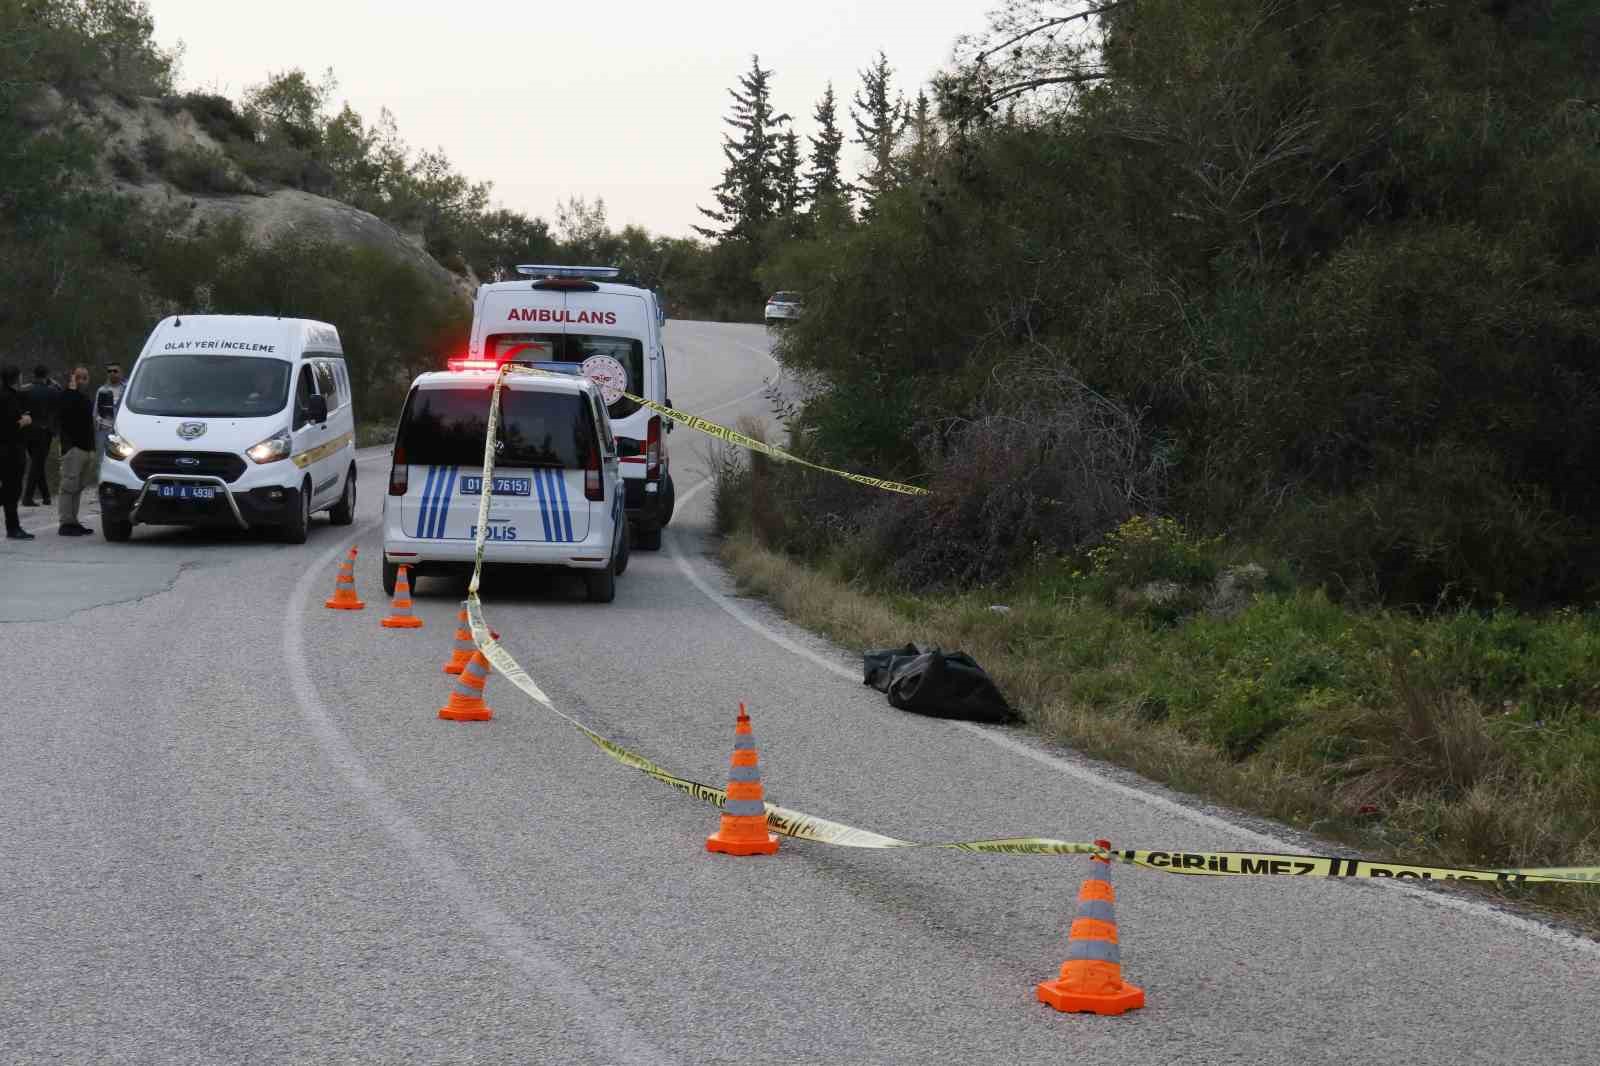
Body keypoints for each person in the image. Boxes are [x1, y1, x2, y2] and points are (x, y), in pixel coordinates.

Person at [56, 365, 95, 537]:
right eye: (79, 377)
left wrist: (93, 448)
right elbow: (64, 412)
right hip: (72, 449)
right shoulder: (66, 397)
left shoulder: (84, 398)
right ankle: (65, 523)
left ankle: (73, 520)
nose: (83, 381)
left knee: (78, 487)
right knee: (68, 486)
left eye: (85, 377)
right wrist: (70, 389)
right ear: (73, 379)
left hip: (85, 448)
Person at [0, 364, 34, 539]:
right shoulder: (9, 399)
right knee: (12, 491)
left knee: (8, 489)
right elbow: (9, 426)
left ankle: (13, 526)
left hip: (6, 449)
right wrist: (24, 421)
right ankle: (13, 528)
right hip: (11, 450)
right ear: (15, 378)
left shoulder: (7, 395)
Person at [20, 364, 60, 507]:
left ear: (34, 375)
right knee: (37, 463)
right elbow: (63, 399)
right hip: (44, 432)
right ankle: (27, 497)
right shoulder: (51, 391)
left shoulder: (25, 390)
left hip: (27, 431)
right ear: (47, 375)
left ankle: (46, 496)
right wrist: (56, 385)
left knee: (38, 463)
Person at [94, 361, 124, 456]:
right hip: (103, 431)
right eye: (109, 371)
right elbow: (95, 412)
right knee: (101, 460)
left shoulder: (126, 390)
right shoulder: (101, 390)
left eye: (115, 371)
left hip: (119, 432)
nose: (112, 373)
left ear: (121, 373)